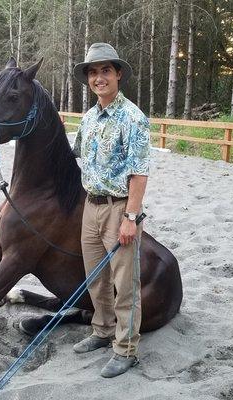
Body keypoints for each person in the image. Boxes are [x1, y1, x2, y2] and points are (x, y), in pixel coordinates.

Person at [72, 42, 150, 378]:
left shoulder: (133, 117)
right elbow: (75, 156)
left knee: (125, 285)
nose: (99, 77)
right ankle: (102, 331)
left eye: (105, 70)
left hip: (120, 209)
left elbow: (139, 171)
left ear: (118, 74)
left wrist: (131, 217)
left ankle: (126, 349)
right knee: (95, 279)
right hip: (91, 207)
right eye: (93, 72)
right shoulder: (88, 118)